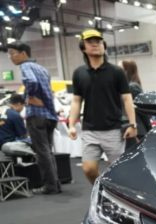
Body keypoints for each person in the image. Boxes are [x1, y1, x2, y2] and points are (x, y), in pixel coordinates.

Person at [68, 29, 137, 184]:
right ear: (83, 48)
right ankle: (101, 189)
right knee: (89, 169)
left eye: (98, 42)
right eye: (90, 42)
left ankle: (117, 193)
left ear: (104, 46)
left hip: (113, 129)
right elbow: (76, 100)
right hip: (89, 130)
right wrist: (71, 125)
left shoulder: (117, 72)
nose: (95, 45)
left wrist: (133, 124)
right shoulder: (79, 73)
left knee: (119, 171)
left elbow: (127, 99)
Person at [7, 41, 61, 194]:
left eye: (12, 53)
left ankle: (50, 186)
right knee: (48, 151)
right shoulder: (42, 68)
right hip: (49, 115)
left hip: (36, 115)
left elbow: (31, 81)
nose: (11, 57)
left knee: (42, 152)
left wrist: (28, 97)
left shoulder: (25, 66)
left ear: (23, 53)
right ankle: (55, 184)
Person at [119, 59, 151, 151]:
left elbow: (142, 109)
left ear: (127, 71)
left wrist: (148, 128)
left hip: (136, 129)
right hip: (130, 128)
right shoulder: (129, 86)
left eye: (120, 68)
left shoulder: (132, 87)